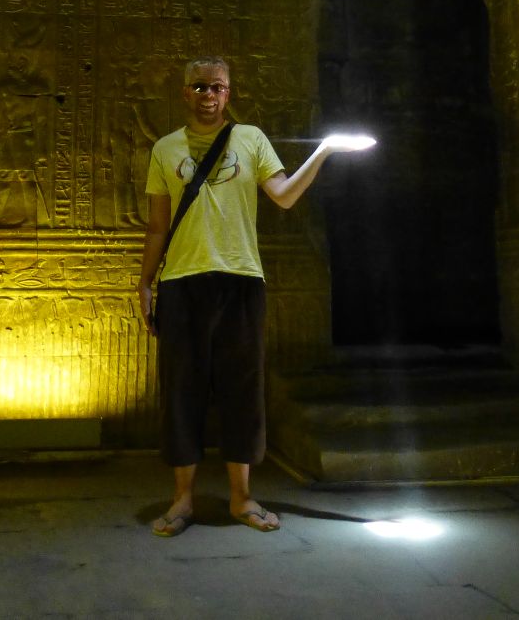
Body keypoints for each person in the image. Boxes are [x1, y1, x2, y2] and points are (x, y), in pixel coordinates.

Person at [137, 55, 364, 537]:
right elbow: (158, 226)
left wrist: (323, 150)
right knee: (181, 392)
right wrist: (145, 281)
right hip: (182, 281)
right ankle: (182, 499)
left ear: (229, 93)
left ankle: (241, 496)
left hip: (240, 279)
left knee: (242, 391)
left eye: (217, 87)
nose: (209, 95)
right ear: (185, 93)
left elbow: (284, 195)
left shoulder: (250, 139)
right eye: (200, 86)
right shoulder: (166, 148)